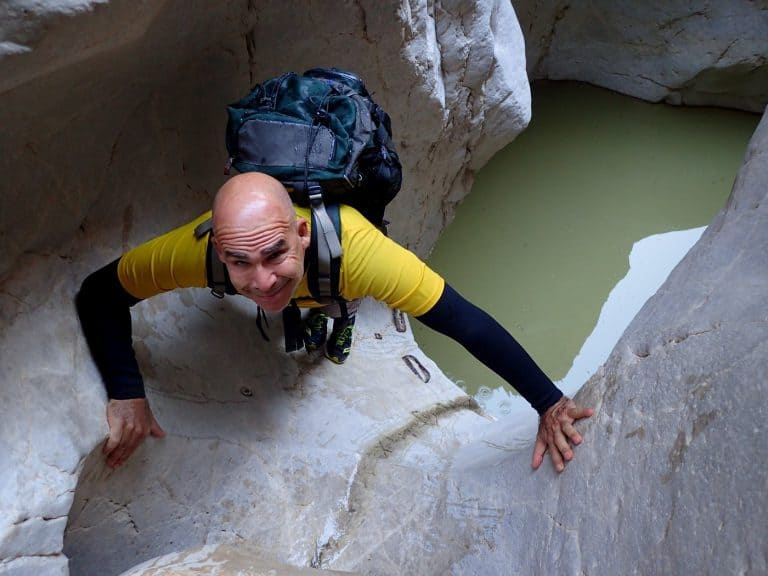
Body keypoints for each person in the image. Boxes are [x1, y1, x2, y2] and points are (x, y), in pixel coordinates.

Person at [76, 172, 593, 471]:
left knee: (336, 301)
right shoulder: (198, 251)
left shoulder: (363, 253)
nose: (261, 279)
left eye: (273, 253)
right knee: (289, 298)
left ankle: (337, 323)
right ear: (218, 249)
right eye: (239, 262)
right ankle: (315, 318)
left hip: (337, 275)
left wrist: (549, 402)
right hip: (313, 273)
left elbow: (463, 321)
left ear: (301, 233)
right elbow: (98, 294)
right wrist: (127, 392)